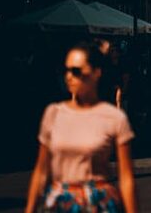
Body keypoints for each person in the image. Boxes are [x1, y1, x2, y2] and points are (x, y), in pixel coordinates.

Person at [25, 43, 137, 213]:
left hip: (100, 204)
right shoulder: (53, 114)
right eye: (66, 71)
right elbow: (41, 170)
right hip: (60, 203)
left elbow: (126, 177)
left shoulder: (114, 118)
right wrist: (30, 209)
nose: (69, 77)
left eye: (76, 71)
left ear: (96, 73)